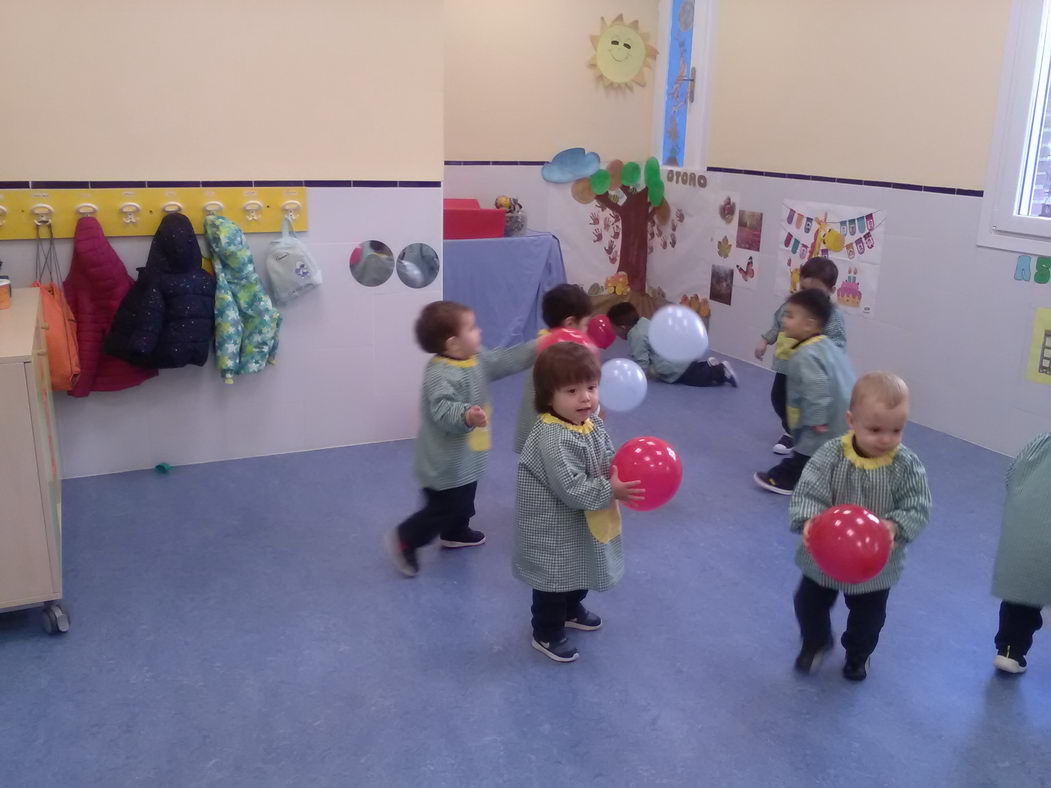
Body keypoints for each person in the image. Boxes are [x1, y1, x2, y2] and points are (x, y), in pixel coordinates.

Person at [789, 372, 932, 681]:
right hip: (824, 557)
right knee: (807, 602)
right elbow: (809, 490)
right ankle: (816, 642)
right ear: (852, 420)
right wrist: (810, 518)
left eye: (897, 430)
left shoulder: (906, 465)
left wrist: (895, 526)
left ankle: (858, 654)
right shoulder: (830, 456)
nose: (886, 439)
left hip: (875, 564)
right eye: (876, 429)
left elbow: (918, 504)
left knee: (869, 617)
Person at [512, 342, 643, 662]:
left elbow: (607, 455)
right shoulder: (552, 436)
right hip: (551, 525)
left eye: (591, 387)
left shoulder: (591, 424)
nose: (585, 397)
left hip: (577, 519)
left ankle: (571, 609)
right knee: (553, 578)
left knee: (580, 564)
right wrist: (609, 490)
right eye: (571, 390)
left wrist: (620, 470)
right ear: (548, 397)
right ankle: (546, 631)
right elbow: (570, 487)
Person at [387, 301, 535, 577]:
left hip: (466, 454)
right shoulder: (440, 374)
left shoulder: (475, 357)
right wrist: (466, 415)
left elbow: (501, 361)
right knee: (443, 506)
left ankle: (455, 532)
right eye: (472, 328)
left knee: (465, 495)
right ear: (453, 343)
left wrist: (534, 349)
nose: (479, 332)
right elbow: (442, 409)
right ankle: (406, 538)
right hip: (443, 461)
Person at [754, 289, 854, 495]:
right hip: (845, 413)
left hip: (823, 418)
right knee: (830, 453)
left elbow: (817, 387)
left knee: (804, 453)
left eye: (790, 315)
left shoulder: (806, 354)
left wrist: (816, 419)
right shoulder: (824, 345)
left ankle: (784, 479)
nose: (784, 319)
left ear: (809, 324)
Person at [754, 257, 847, 456]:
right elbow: (779, 322)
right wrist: (765, 340)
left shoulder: (832, 316)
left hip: (811, 372)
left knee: (806, 402)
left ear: (831, 290)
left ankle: (797, 434)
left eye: (816, 292)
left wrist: (829, 362)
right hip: (787, 365)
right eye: (804, 289)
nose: (809, 297)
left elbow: (838, 344)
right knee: (778, 399)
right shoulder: (795, 304)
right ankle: (792, 428)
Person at [990, 432, 1051, 674]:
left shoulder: (1040, 444)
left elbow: (1013, 476)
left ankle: (1009, 652)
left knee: (1023, 591)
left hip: (1032, 535)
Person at [513, 283, 593, 453]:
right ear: (571, 323)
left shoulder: (542, 343)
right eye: (586, 325)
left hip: (539, 429)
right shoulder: (563, 355)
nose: (587, 331)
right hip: (548, 431)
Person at [607, 301, 737, 388]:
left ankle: (720, 371)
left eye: (614, 328)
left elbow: (641, 362)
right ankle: (707, 365)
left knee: (695, 378)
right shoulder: (644, 322)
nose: (613, 332)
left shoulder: (635, 336)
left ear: (623, 327)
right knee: (692, 368)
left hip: (674, 366)